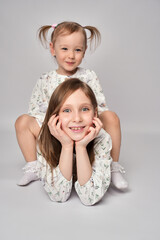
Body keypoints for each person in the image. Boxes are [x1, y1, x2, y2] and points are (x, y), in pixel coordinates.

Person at [15, 21, 128, 190]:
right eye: (65, 49)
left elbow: (100, 107)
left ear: (84, 51)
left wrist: (88, 124)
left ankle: (113, 167)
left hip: (84, 128)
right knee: (22, 121)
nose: (71, 55)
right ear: (53, 49)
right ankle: (34, 167)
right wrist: (56, 126)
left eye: (77, 50)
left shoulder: (89, 76)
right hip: (57, 132)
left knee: (111, 117)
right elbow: (35, 110)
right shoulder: (45, 80)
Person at [37, 78, 112, 205]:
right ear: (54, 115)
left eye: (85, 109)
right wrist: (67, 146)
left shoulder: (102, 138)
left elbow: (90, 197)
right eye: (67, 110)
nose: (77, 118)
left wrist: (81, 147)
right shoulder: (44, 138)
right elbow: (58, 195)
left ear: (95, 112)